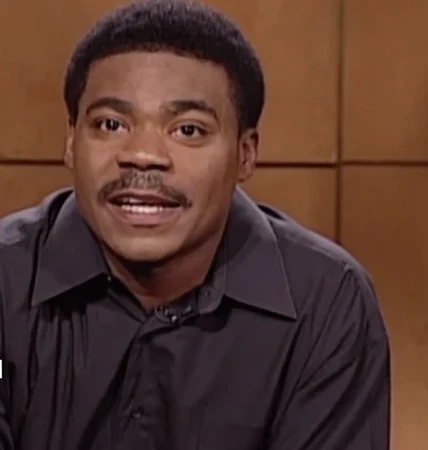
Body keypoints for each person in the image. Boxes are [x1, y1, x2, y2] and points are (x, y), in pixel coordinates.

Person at [0, 0, 390, 449]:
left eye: (188, 130)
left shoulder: (326, 304)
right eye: (111, 124)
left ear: (245, 153)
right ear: (71, 141)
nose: (142, 154)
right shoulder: (6, 281)